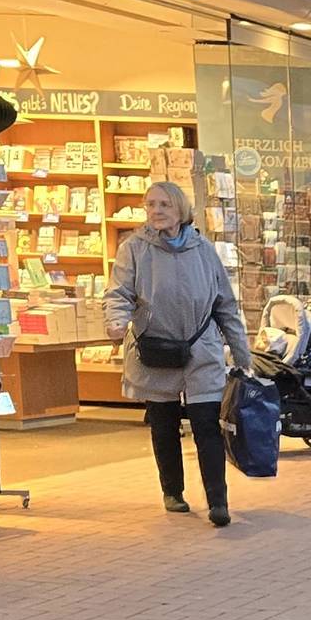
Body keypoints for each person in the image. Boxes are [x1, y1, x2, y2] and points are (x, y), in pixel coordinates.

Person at [108, 180, 254, 527]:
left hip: (200, 349)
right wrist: (115, 322)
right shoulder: (134, 249)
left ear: (180, 210)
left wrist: (241, 351)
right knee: (164, 424)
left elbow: (225, 305)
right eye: (150, 205)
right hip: (154, 349)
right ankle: (172, 491)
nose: (156, 211)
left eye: (163, 205)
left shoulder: (203, 250)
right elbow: (119, 293)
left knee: (207, 424)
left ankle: (218, 501)